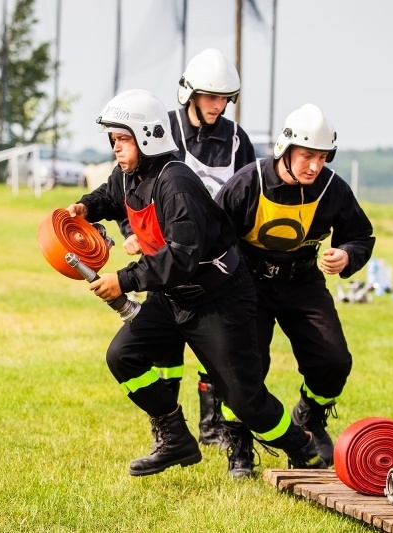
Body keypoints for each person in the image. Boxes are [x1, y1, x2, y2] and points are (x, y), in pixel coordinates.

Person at [66, 89, 326, 478]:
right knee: (123, 356)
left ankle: (302, 448)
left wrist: (124, 280)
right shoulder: (129, 175)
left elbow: (182, 258)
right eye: (114, 140)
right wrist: (87, 207)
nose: (116, 148)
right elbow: (111, 194)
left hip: (218, 298)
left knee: (245, 400)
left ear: (148, 136)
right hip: (173, 296)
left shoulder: (176, 183)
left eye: (122, 139)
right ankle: (176, 440)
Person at [215, 104, 376, 471]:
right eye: (307, 156)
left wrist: (347, 255)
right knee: (246, 367)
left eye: (322, 157)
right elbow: (212, 235)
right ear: (285, 151)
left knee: (334, 361)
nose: (315, 166)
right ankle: (239, 441)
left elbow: (361, 235)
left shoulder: (333, 188)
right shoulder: (247, 181)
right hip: (247, 284)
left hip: (302, 282)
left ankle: (310, 416)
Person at [121, 48, 257, 462]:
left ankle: (212, 425)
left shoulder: (238, 140)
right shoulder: (165, 133)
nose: (217, 105)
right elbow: (131, 185)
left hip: (215, 261)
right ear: (190, 94)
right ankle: (171, 429)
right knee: (165, 351)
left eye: (224, 98)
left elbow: (249, 194)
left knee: (214, 348)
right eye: (210, 96)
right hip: (167, 257)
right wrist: (131, 231)